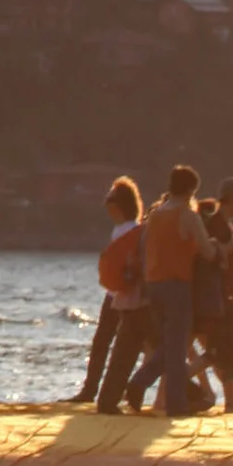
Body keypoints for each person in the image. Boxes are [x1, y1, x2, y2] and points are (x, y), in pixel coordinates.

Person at [136, 163, 212, 414]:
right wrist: (224, 246)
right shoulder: (187, 215)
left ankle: (139, 383)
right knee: (177, 349)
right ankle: (175, 403)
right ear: (192, 190)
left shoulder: (156, 214)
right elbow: (207, 251)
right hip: (177, 284)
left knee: (168, 345)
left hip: (153, 283)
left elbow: (144, 247)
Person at [79, 178, 146, 406]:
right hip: (113, 294)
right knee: (105, 343)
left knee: (117, 344)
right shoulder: (121, 229)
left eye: (112, 208)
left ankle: (97, 390)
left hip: (123, 297)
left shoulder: (131, 231)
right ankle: (91, 389)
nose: (110, 212)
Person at [197, 179, 233, 409]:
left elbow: (224, 262)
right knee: (220, 351)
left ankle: (232, 398)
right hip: (217, 296)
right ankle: (177, 380)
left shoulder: (225, 224)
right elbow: (211, 258)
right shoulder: (216, 225)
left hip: (225, 294)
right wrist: (232, 246)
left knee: (227, 352)